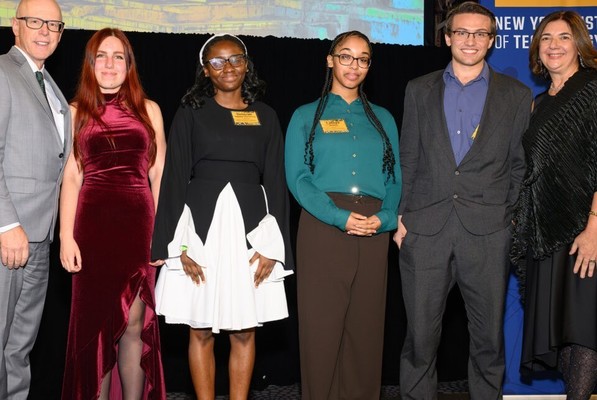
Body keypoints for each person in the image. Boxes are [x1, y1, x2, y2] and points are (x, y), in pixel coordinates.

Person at [395, 2, 532, 399]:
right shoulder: (418, 89)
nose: (470, 40)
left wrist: (509, 219)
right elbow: (408, 157)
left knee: (488, 342)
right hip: (425, 230)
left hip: (489, 234)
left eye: (480, 33)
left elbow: (519, 166)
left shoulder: (517, 95)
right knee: (420, 340)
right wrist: (402, 217)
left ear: (491, 41)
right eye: (462, 32)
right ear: (447, 37)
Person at [151, 34, 293, 399]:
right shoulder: (190, 113)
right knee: (200, 329)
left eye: (235, 59)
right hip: (200, 232)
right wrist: (178, 246)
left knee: (244, 330)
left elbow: (277, 184)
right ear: (205, 70)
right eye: (217, 61)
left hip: (251, 233)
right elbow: (174, 180)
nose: (227, 67)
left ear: (247, 64)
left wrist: (274, 248)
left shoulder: (266, 116)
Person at [285, 31, 401, 399]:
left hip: (373, 228)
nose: (354, 65)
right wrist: (338, 216)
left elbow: (394, 178)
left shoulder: (383, 118)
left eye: (363, 58)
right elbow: (298, 179)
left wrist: (386, 218)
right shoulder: (305, 115)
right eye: (346, 56)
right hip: (323, 225)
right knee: (321, 330)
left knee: (366, 331)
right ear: (330, 60)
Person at [59, 28, 167, 399]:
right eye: (101, 56)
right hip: (91, 227)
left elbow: (158, 174)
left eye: (118, 56)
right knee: (97, 329)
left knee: (134, 324)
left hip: (139, 225)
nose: (109, 64)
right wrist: (66, 236)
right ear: (90, 64)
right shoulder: (75, 111)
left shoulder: (149, 109)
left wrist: (163, 234)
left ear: (128, 64)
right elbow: (72, 176)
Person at [511, 10, 597, 400]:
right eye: (546, 38)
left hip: (584, 230)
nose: (554, 46)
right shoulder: (538, 103)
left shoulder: (593, 89)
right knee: (560, 330)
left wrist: (593, 229)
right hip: (545, 233)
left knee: (584, 328)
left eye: (563, 37)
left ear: (578, 45)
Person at [0, 0, 70, 398]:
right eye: (35, 21)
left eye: (54, 25)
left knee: (18, 349)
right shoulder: (2, 72)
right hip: (8, 236)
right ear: (16, 25)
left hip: (40, 238)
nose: (45, 30)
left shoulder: (49, 84)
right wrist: (7, 224)